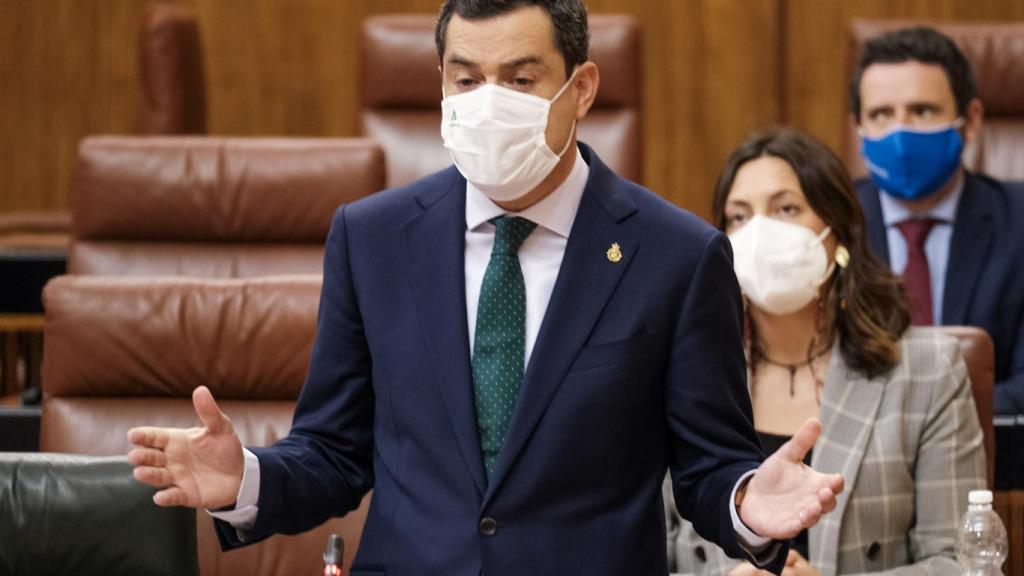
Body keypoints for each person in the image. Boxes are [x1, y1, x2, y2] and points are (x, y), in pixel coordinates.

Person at [126, 2, 843, 574]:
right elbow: (335, 453)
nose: (488, 102)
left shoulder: (678, 256)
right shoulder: (372, 238)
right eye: (466, 80)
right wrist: (246, 479)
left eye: (521, 79)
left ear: (581, 88)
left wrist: (747, 503)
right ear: (440, 80)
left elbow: (707, 468)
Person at [670, 128, 986, 576]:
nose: (759, 232)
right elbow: (638, 550)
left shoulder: (928, 370)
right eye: (738, 217)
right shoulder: (685, 372)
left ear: (838, 233)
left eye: (786, 209)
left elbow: (964, 564)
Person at [851, 26, 1024, 415]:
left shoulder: (1018, 222)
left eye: (922, 111)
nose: (900, 132)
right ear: (859, 129)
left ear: (973, 120)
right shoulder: (831, 226)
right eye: (881, 114)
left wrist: (927, 422)